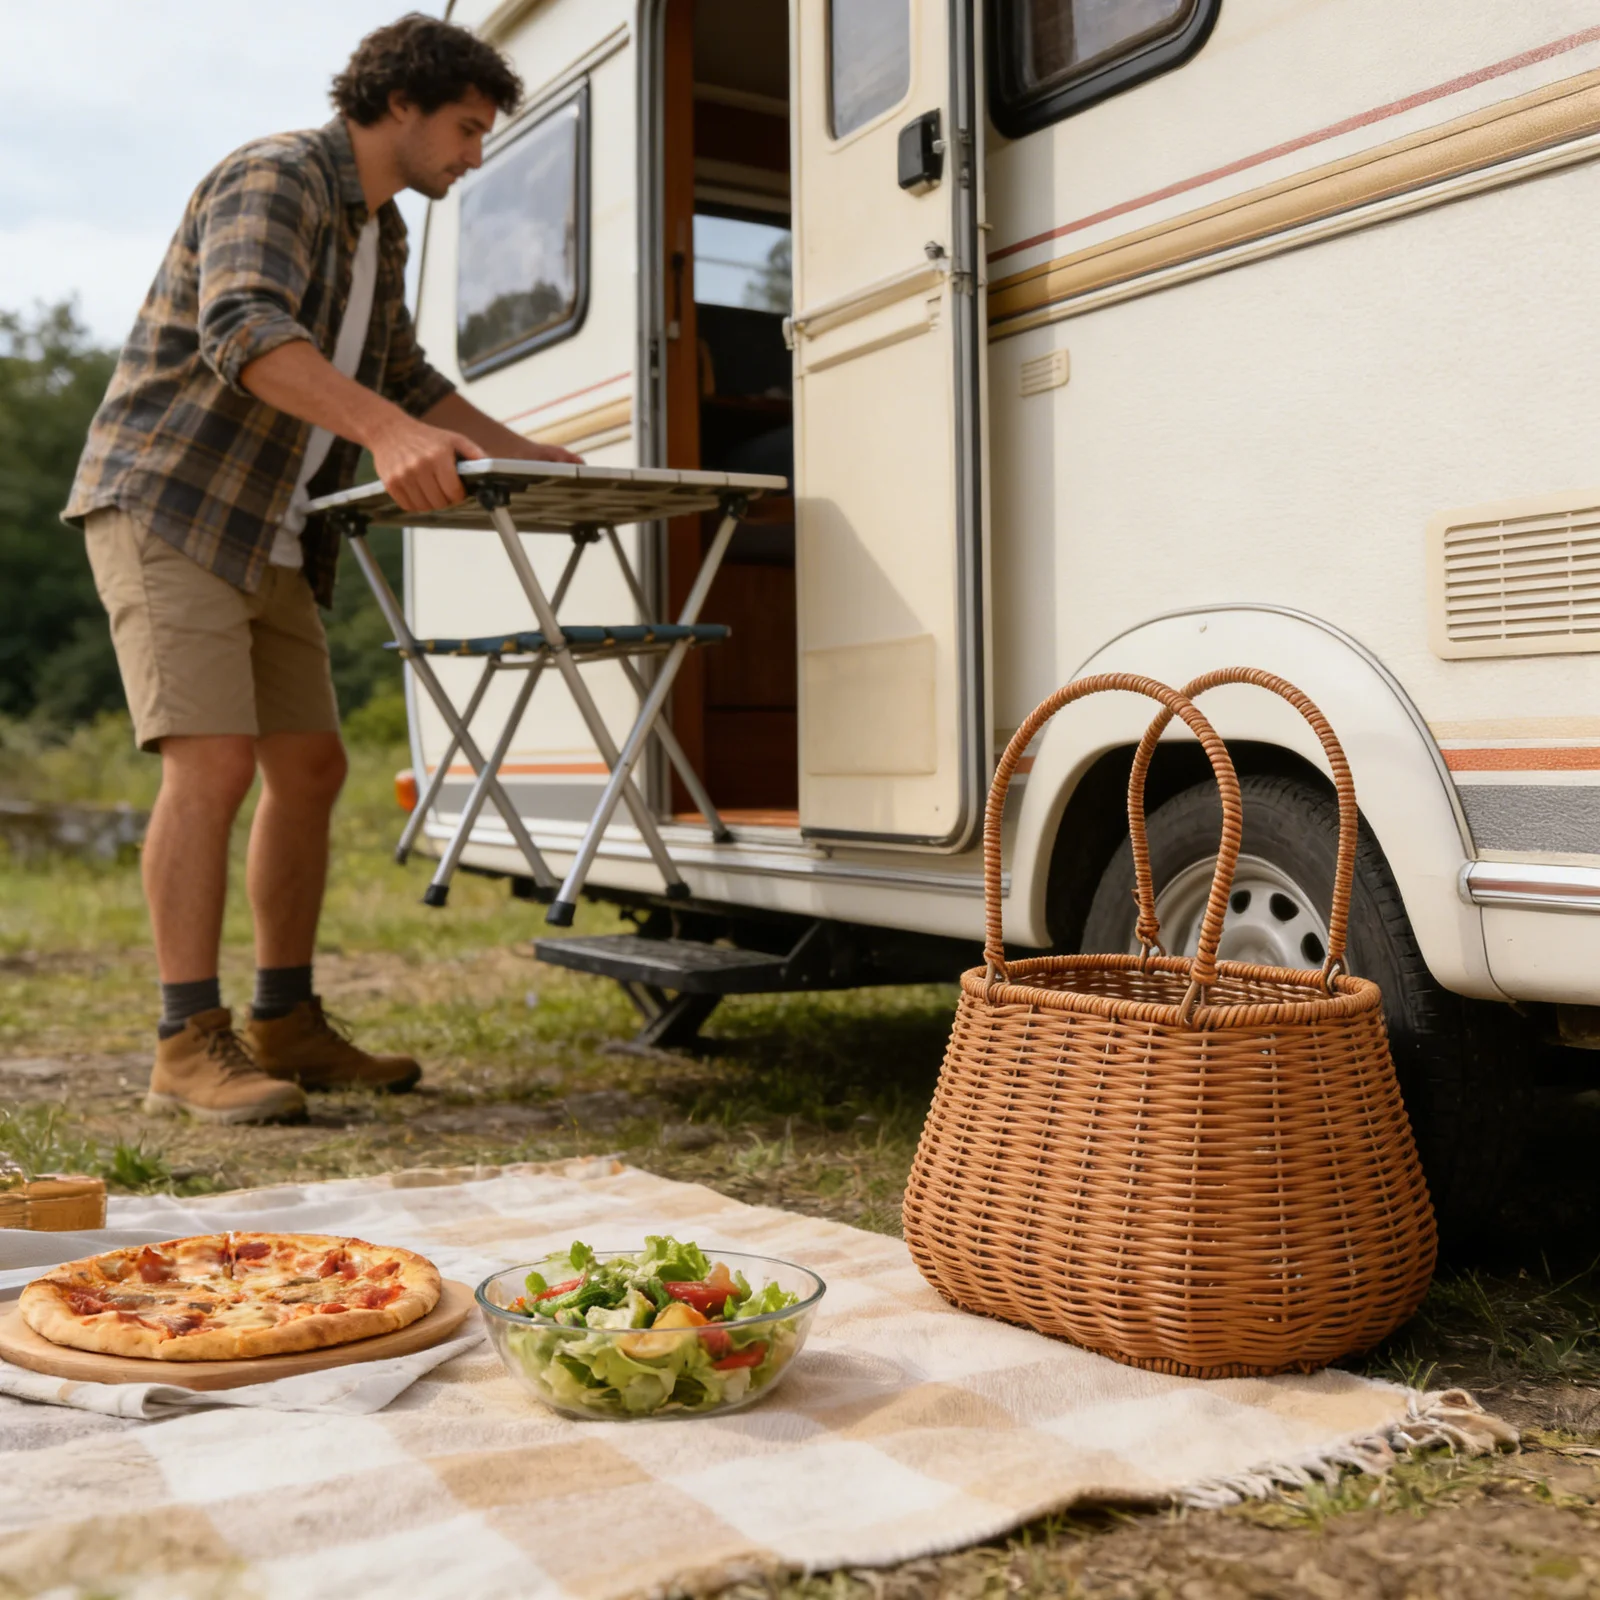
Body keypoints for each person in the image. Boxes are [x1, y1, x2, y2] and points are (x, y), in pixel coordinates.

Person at [63, 14, 578, 1124]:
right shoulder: (277, 172)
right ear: (401, 104)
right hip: (172, 500)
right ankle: (184, 1042)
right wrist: (388, 436)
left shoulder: (378, 231)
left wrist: (520, 454)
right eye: (466, 128)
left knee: (310, 767)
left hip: (275, 522)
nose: (476, 156)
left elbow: (402, 370)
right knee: (212, 765)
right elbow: (241, 326)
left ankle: (283, 1020)